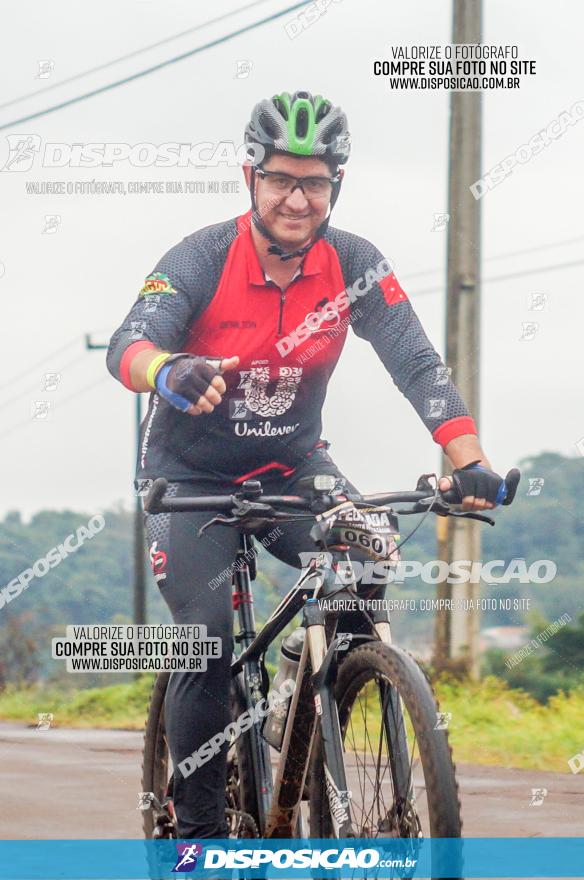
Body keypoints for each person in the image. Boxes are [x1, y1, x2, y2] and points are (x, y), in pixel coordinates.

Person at [107, 90, 507, 838]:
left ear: (336, 186)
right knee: (204, 639)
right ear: (250, 178)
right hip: (189, 480)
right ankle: (197, 834)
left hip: (294, 464)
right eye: (282, 179)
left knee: (366, 558)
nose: (298, 198)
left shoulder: (353, 263)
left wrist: (470, 457)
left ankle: (315, 680)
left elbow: (417, 363)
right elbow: (127, 345)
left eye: (315, 182)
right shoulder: (199, 257)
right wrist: (169, 369)